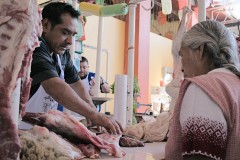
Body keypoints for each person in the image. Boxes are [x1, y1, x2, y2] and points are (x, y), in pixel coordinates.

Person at [19, 2, 122, 135]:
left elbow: (77, 85)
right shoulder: (35, 47)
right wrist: (95, 115)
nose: (70, 41)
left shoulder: (62, 54)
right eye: (64, 32)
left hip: (40, 129)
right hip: (16, 129)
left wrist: (94, 113)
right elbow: (54, 86)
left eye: (72, 35)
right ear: (45, 25)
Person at [165, 20, 240, 160]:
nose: (181, 67)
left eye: (182, 55)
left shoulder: (201, 89)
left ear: (200, 50)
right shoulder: (235, 84)